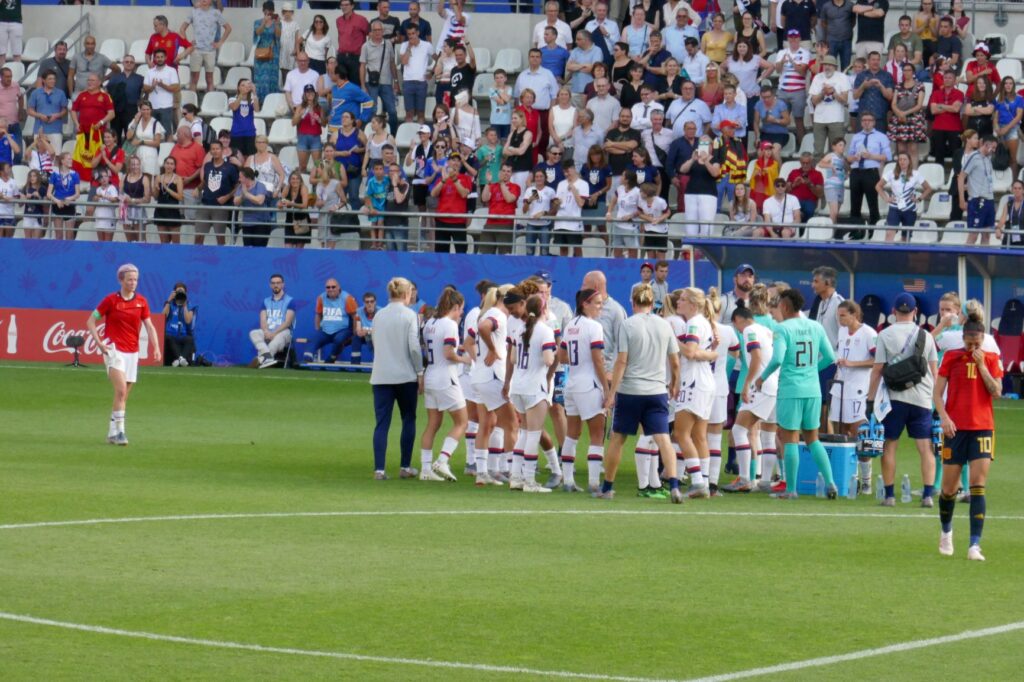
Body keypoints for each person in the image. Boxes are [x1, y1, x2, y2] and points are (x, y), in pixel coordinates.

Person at [593, 283, 683, 503]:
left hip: (630, 391)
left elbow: (622, 361)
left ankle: (607, 488)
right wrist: (675, 383)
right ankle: (674, 485)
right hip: (656, 391)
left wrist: (612, 393)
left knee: (617, 440)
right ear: (652, 302)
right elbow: (675, 361)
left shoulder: (627, 325)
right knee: (663, 439)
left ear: (633, 302)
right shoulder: (664, 325)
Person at [755, 288, 838, 499]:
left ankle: (791, 489)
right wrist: (812, 370)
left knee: (790, 438)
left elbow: (777, 359)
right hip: (813, 390)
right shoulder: (815, 326)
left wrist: (762, 378)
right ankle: (830, 483)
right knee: (813, 439)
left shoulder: (782, 329)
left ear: (784, 306)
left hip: (791, 389)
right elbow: (830, 357)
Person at [933, 309, 1002, 561]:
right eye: (970, 342)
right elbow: (937, 393)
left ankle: (974, 545)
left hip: (982, 428)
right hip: (955, 429)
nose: (973, 347)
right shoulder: (952, 357)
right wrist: (944, 417)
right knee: (948, 488)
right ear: (963, 338)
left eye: (977, 342)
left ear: (983, 339)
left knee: (977, 486)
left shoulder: (991, 359)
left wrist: (981, 365)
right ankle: (946, 532)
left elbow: (996, 392)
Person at [866, 292, 939, 507]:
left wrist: (870, 399)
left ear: (893, 311)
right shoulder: (926, 336)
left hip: (894, 398)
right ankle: (927, 495)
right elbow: (934, 371)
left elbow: (877, 370)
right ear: (915, 311)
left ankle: (889, 496)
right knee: (925, 448)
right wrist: (937, 402)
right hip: (922, 398)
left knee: (889, 446)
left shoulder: (885, 334)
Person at [85, 263, 161, 447]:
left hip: (132, 353)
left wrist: (156, 347)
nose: (133, 283)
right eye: (129, 280)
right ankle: (120, 432)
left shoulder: (141, 301)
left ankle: (111, 434)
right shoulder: (110, 300)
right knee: (120, 391)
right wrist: (99, 343)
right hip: (114, 350)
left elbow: (149, 326)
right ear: (121, 280)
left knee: (123, 397)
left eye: (135, 280)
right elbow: (91, 321)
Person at [369, 277, 423, 480]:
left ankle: (379, 469)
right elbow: (414, 347)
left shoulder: (378, 315)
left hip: (381, 375)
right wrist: (420, 371)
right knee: (408, 418)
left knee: (382, 423)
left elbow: (375, 342)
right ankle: (405, 466)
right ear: (406, 294)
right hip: (405, 376)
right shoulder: (410, 315)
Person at [503, 293, 557, 493]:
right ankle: (529, 481)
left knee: (524, 433)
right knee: (533, 435)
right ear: (544, 309)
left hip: (518, 386)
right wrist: (556, 352)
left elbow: (513, 359)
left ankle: (516, 477)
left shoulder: (519, 329)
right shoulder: (545, 331)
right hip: (534, 388)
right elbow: (549, 360)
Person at [418, 288, 473, 482]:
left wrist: (459, 347)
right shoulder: (450, 325)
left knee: (433, 424)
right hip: (445, 379)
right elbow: (448, 353)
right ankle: (442, 460)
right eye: (461, 309)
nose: (462, 313)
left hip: (430, 376)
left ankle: (425, 469)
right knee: (462, 422)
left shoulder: (430, 323)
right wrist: (465, 359)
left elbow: (435, 346)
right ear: (455, 307)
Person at [723, 302, 777, 492]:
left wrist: (747, 384)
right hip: (774, 385)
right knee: (768, 436)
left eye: (735, 325)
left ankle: (745, 479)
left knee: (739, 430)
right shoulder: (766, 330)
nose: (737, 330)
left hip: (760, 386)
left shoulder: (749, 331)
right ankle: (764, 481)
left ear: (738, 319)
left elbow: (756, 357)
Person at [560, 288, 610, 492]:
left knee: (572, 434)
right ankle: (594, 483)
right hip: (589, 384)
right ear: (584, 304)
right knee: (597, 434)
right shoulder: (594, 326)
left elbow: (562, 356)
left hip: (572, 383)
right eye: (597, 303)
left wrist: (578, 359)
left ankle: (568, 481)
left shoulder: (570, 325)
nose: (600, 307)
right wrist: (606, 388)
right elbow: (598, 360)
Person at [829, 300, 878, 492]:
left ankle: (866, 479)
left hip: (859, 389)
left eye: (843, 315)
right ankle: (851, 476)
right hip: (840, 387)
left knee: (860, 434)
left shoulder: (869, 333)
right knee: (842, 433)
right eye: (838, 315)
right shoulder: (842, 332)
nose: (839, 319)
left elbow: (878, 360)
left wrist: (853, 364)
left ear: (854, 315)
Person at [877, 151, 932, 241]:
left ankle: (900, 250)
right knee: (889, 234)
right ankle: (888, 250)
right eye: (900, 159)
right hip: (894, 208)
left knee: (905, 238)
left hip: (909, 209)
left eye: (904, 159)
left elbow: (928, 188)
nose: (902, 161)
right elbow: (878, 186)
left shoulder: (916, 174)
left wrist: (919, 199)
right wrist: (886, 198)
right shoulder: (891, 173)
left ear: (909, 161)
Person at [180, 0, 231, 92]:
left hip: (210, 50)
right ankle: (192, 100)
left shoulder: (216, 13)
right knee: (194, 78)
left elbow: (228, 28)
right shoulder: (193, 12)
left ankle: (210, 98)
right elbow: (182, 28)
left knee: (210, 78)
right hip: (196, 50)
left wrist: (220, 43)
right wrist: (187, 44)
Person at [360, 21, 400, 135]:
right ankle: (370, 135)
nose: (377, 32)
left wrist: (396, 81)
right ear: (371, 32)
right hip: (371, 83)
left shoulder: (388, 44)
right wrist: (363, 85)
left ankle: (393, 136)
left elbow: (392, 63)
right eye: (375, 30)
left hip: (386, 82)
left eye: (379, 30)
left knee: (392, 111)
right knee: (372, 110)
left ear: (383, 31)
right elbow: (362, 66)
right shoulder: (365, 46)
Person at [958, 134, 997, 246]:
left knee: (987, 234)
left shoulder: (988, 159)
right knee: (973, 234)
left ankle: (984, 258)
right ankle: (964, 256)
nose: (994, 150)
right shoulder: (974, 157)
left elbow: (987, 180)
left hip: (989, 200)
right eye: (993, 147)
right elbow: (961, 177)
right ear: (986, 144)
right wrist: (962, 199)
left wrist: (992, 200)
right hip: (977, 200)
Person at [27, 71, 68, 153]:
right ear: (43, 80)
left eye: (54, 79)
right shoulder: (36, 93)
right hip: (39, 129)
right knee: (39, 155)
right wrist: (40, 115)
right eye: (50, 79)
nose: (53, 81)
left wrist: (57, 115)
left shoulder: (60, 93)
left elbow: (64, 110)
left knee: (56, 154)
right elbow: (29, 110)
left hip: (56, 129)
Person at [142, 48, 180, 137]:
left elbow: (175, 88)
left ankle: (168, 146)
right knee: (153, 133)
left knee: (167, 133)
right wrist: (153, 86)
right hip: (152, 107)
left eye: (161, 57)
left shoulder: (171, 70)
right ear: (154, 58)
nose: (159, 59)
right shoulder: (149, 72)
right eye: (157, 57)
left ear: (165, 57)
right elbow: (145, 88)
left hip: (166, 107)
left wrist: (162, 85)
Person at [46, 152, 80, 240]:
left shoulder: (75, 174)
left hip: (69, 205)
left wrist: (69, 199)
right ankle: (58, 249)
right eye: (68, 159)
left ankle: (69, 250)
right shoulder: (55, 174)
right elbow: (49, 194)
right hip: (58, 205)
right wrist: (57, 201)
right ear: (62, 161)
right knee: (58, 236)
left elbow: (77, 194)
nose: (71, 161)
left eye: (71, 159)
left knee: (69, 236)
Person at [162, 282, 197, 367]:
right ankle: (181, 359)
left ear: (186, 293)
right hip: (170, 334)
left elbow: (188, 321)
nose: (180, 294)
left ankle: (179, 359)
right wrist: (169, 301)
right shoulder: (170, 304)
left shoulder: (190, 305)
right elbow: (163, 317)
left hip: (183, 335)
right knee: (168, 337)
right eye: (178, 292)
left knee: (190, 339)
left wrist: (185, 305)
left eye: (182, 292)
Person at [152, 156, 184, 244]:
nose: (169, 166)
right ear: (164, 165)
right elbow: (155, 197)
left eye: (171, 164)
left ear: (174, 166)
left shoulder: (178, 179)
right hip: (160, 212)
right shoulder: (158, 177)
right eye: (167, 163)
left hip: (173, 212)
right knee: (164, 242)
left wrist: (167, 188)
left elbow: (180, 197)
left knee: (176, 243)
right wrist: (155, 189)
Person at [786, 152, 823, 225]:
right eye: (803, 163)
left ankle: (803, 230)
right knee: (789, 209)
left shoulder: (818, 174)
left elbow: (820, 194)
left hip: (809, 201)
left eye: (807, 163)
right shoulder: (794, 172)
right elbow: (785, 191)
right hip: (794, 201)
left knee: (808, 210)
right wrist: (794, 185)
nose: (805, 165)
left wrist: (810, 184)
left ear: (811, 162)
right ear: (800, 162)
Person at [996, 179, 1024, 247]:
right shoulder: (1008, 204)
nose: (1017, 190)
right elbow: (1002, 219)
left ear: (1023, 190)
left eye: (1019, 188)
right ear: (1012, 190)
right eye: (1015, 188)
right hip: (1009, 237)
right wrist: (998, 228)